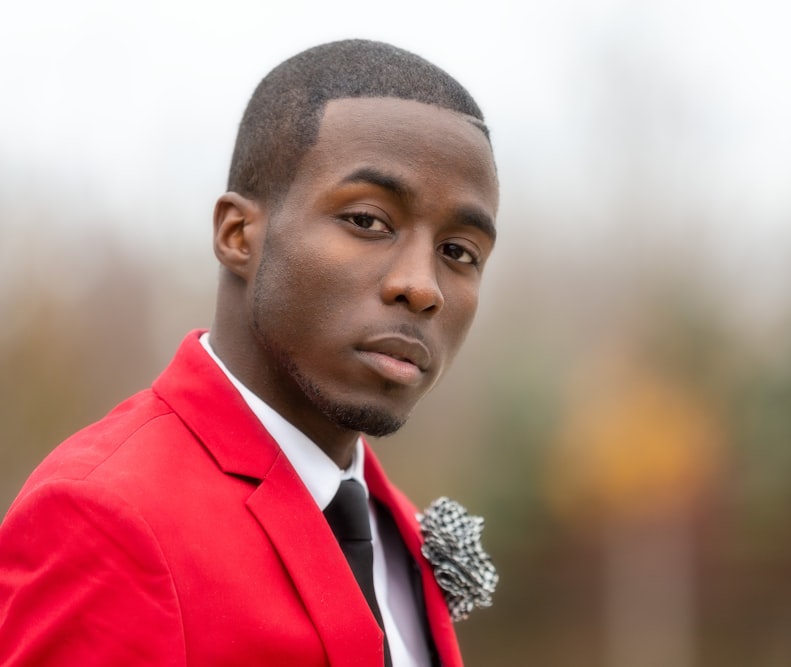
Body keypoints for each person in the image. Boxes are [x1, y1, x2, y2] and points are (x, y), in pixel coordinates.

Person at [0, 39, 499, 667]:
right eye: (368, 221)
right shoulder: (107, 516)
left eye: (460, 252)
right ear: (238, 235)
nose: (422, 287)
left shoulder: (393, 524)